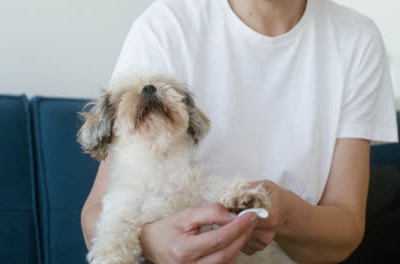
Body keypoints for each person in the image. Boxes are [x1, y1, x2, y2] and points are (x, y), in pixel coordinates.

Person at [81, 0, 398, 263]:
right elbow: (97, 213)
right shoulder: (167, 24)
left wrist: (284, 212)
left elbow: (345, 230)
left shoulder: (357, 38)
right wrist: (152, 242)